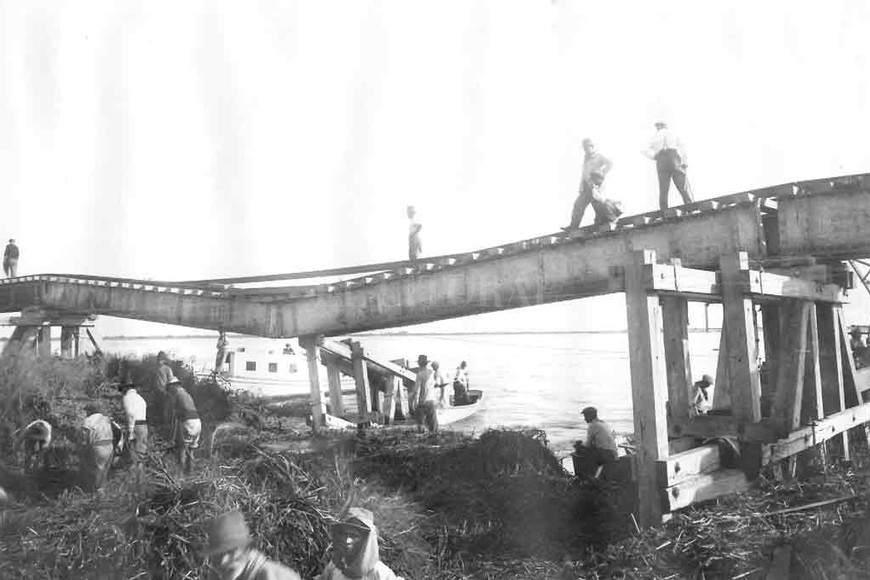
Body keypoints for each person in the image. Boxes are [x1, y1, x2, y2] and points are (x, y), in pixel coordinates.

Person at [203, 511, 302, 580]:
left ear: (246, 550)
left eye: (230, 552)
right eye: (218, 554)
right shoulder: (218, 574)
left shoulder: (268, 575)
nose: (223, 562)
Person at [317, 507, 404, 580]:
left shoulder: (380, 573)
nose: (347, 540)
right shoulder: (335, 566)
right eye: (345, 534)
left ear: (365, 541)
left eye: (354, 536)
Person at [643, 121, 694, 211]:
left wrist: (654, 156)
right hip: (673, 157)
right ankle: (689, 205)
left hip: (662, 159)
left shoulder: (654, 137)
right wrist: (684, 161)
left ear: (659, 127)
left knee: (663, 187)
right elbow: (683, 147)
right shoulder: (673, 134)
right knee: (681, 184)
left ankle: (664, 210)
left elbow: (644, 149)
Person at [564, 138, 614, 230]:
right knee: (578, 206)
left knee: (598, 206)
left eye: (587, 147)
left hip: (594, 186)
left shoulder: (598, 157)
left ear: (592, 147)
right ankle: (573, 226)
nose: (586, 150)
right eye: (584, 148)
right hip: (585, 187)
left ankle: (604, 221)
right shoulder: (585, 159)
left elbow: (610, 163)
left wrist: (601, 173)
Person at [167, 378, 201, 475]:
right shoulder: (186, 394)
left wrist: (173, 436)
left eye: (170, 387)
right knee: (191, 449)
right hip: (197, 422)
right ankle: (191, 474)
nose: (170, 390)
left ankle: (180, 476)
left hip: (188, 422)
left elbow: (176, 416)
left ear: (174, 386)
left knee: (181, 449)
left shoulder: (177, 395)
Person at [573, 406, 618, 478]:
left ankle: (588, 477)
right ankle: (595, 475)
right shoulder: (602, 423)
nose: (584, 419)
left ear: (590, 416)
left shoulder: (592, 425)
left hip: (606, 454)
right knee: (590, 450)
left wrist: (579, 445)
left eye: (585, 416)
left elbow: (587, 445)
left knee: (580, 452)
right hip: (613, 453)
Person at [80, 403, 115, 491]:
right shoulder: (106, 419)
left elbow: (84, 438)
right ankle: (102, 487)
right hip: (110, 445)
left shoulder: (88, 420)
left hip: (98, 446)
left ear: (90, 411)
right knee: (105, 469)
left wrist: (83, 450)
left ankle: (96, 490)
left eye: (86, 411)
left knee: (97, 468)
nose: (86, 413)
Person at [119, 382, 148, 467]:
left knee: (133, 452)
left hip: (135, 426)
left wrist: (131, 431)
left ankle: (132, 475)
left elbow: (130, 414)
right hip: (144, 426)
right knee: (141, 452)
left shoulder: (127, 398)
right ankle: (140, 476)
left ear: (126, 388)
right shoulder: (140, 398)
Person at [413, 355, 438, 433]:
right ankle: (433, 437)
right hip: (432, 400)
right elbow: (434, 385)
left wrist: (414, 402)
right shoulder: (431, 372)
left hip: (423, 401)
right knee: (433, 423)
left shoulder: (420, 374)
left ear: (419, 364)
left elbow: (416, 390)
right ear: (426, 363)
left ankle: (423, 436)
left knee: (421, 423)